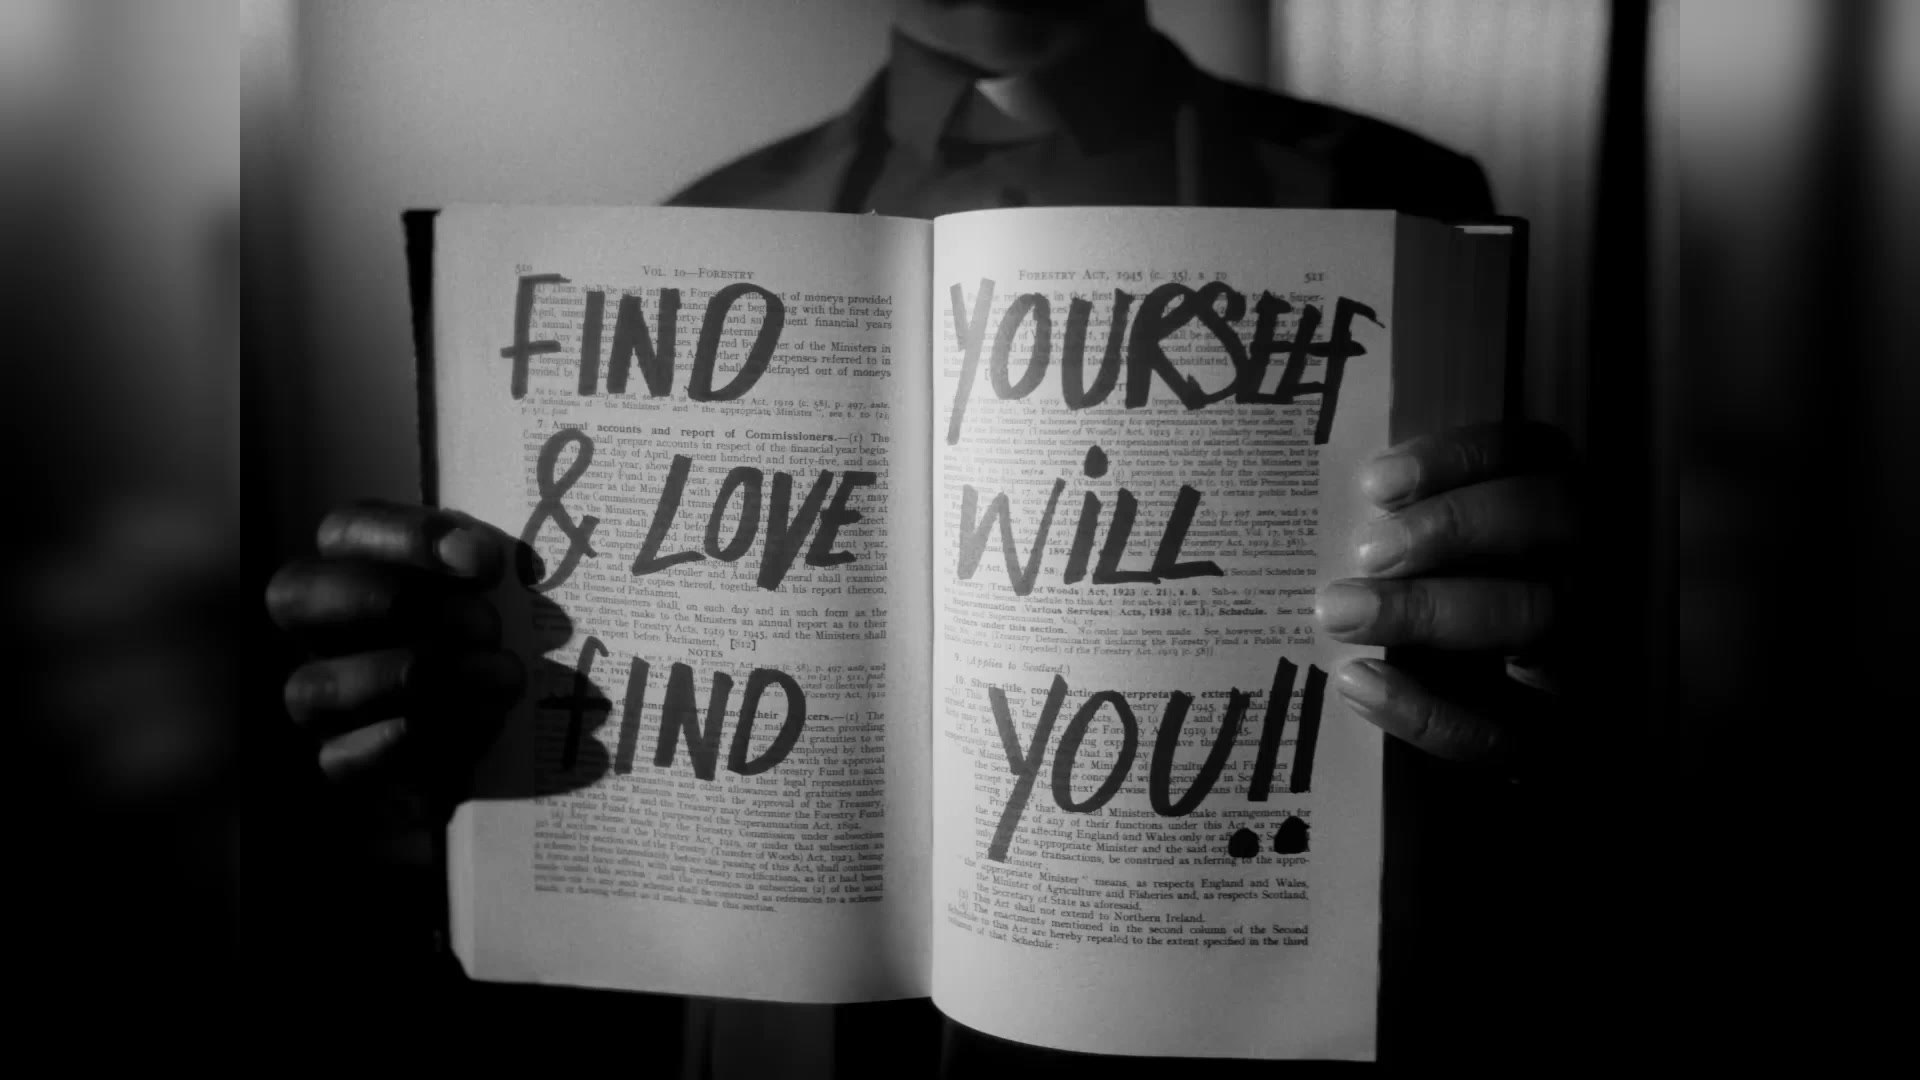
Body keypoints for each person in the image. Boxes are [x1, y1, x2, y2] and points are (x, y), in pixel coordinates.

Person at [266, 1, 1575, 1073]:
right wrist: (481, 701)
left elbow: (1493, 658)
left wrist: (1566, 678)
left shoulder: (1397, 194)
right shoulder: (696, 229)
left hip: (1253, 1018)